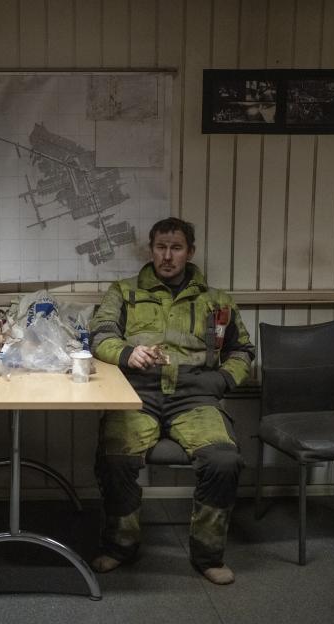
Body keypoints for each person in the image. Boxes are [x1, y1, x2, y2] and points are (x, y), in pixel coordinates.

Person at [88, 217, 255, 585]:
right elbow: (99, 337)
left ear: (189, 252)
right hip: (137, 394)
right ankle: (120, 546)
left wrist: (223, 380)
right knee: (115, 458)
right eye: (161, 248)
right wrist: (127, 353)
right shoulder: (124, 292)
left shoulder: (217, 302)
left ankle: (208, 555)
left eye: (176, 248)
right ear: (151, 250)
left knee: (224, 460)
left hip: (194, 398)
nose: (167, 256)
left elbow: (242, 350)